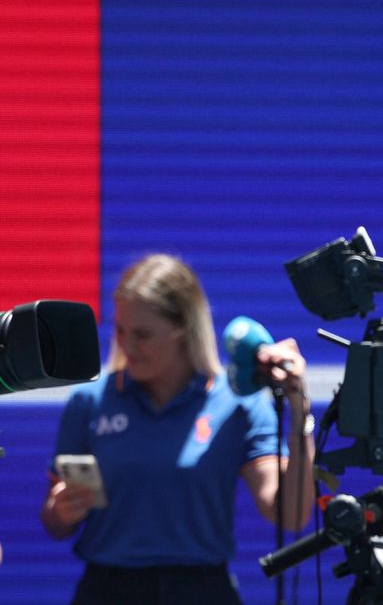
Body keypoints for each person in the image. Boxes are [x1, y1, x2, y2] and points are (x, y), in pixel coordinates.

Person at [40, 254, 316, 605]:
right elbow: (54, 523)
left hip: (202, 591)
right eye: (121, 330)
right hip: (107, 590)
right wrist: (59, 510)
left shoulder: (238, 404)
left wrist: (299, 414)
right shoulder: (89, 402)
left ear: (184, 329)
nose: (128, 345)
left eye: (143, 334)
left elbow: (289, 515)